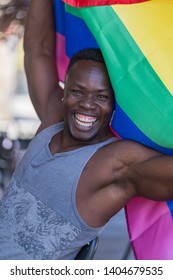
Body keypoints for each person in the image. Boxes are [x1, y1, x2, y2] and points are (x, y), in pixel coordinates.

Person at [0, 0, 173, 260]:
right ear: (64, 92)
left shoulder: (116, 160)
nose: (87, 105)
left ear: (115, 104)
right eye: (78, 92)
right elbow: (38, 49)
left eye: (101, 96)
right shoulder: (52, 119)